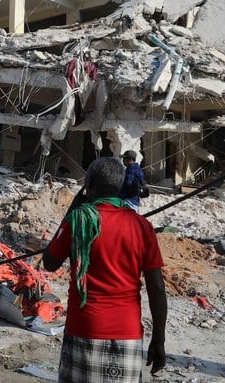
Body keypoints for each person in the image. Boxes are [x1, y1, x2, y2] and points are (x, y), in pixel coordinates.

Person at [43, 157, 167, 382]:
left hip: (85, 329)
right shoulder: (142, 226)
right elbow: (157, 288)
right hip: (127, 334)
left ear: (88, 187)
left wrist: (72, 210)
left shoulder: (78, 220)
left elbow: (49, 262)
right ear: (119, 188)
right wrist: (158, 339)